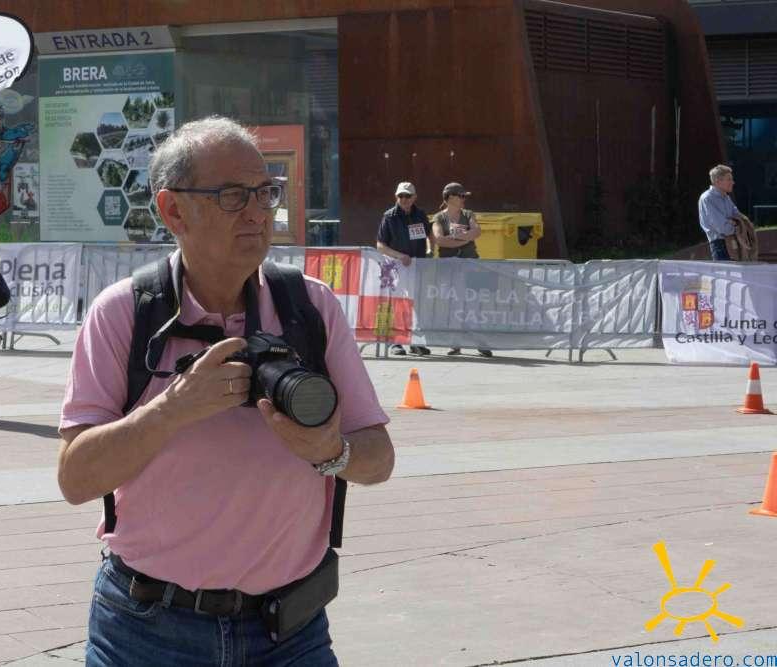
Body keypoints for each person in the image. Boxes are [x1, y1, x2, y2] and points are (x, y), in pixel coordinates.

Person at [58, 116, 394, 666]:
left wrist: (332, 452)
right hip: (147, 630)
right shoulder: (124, 313)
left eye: (266, 192)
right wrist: (172, 409)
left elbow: (378, 459)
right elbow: (75, 478)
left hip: (291, 631)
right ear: (173, 210)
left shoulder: (309, 307)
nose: (259, 212)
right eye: (234, 195)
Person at [430, 182, 492, 358]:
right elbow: (439, 239)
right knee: (453, 304)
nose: (464, 199)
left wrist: (456, 239)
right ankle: (454, 343)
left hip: (471, 265)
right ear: (450, 198)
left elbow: (477, 231)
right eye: (461, 196)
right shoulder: (439, 218)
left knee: (474, 304)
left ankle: (480, 343)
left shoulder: (468, 214)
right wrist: (465, 238)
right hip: (448, 268)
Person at [375, 181, 432, 356]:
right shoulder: (389, 216)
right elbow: (380, 245)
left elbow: (430, 235)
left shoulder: (420, 215)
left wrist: (430, 249)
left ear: (414, 197)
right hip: (396, 267)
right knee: (398, 303)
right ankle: (396, 343)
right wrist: (400, 256)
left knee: (417, 304)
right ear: (396, 197)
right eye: (401, 196)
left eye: (408, 196)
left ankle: (416, 342)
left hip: (418, 265)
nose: (404, 199)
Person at [698, 165, 742, 261]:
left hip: (734, 243)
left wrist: (732, 222)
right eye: (729, 179)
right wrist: (733, 225)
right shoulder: (707, 198)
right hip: (719, 246)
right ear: (718, 181)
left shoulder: (726, 197)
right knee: (723, 275)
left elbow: (740, 219)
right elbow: (723, 228)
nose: (733, 182)